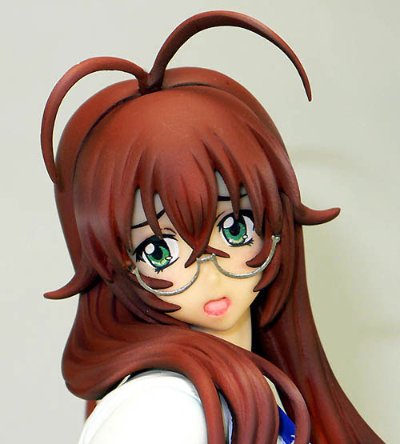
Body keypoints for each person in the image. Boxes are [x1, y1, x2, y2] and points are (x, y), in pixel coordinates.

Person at [41, 11, 383, 444]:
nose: (209, 272)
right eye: (159, 251)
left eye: (236, 227)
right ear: (114, 263)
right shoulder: (162, 410)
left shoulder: (259, 388)